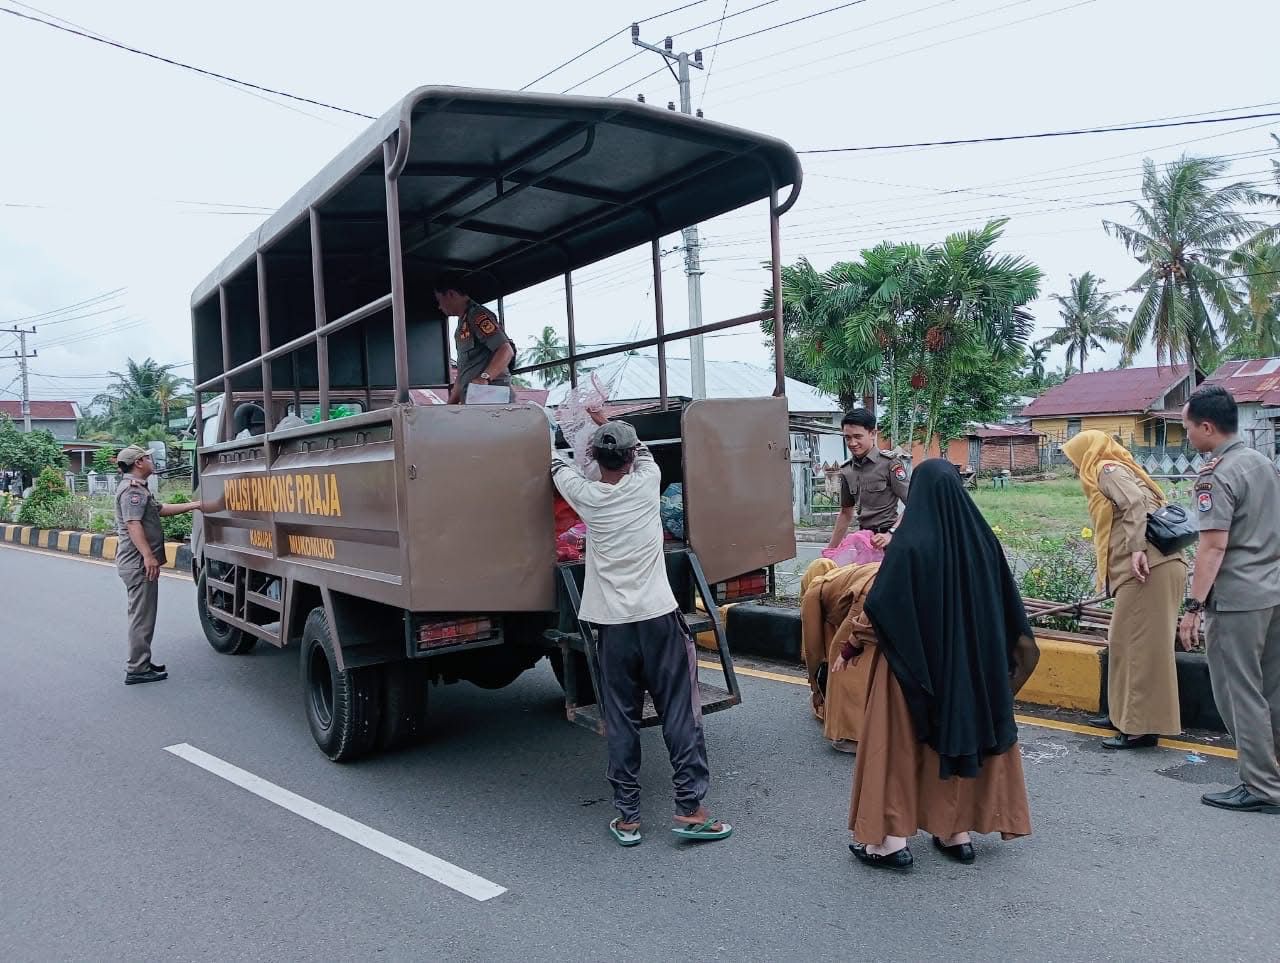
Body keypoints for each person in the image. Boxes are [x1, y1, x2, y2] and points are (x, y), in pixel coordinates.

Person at [844, 459, 1039, 869]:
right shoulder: (983, 541)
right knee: (955, 740)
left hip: (912, 671)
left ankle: (891, 843)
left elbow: (882, 609)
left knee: (897, 750)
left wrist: (851, 646)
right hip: (970, 672)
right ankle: (956, 833)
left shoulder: (911, 544)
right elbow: (1009, 611)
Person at [551, 409, 731, 847]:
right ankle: (690, 810)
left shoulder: (586, 496)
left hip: (613, 628)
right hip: (658, 620)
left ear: (594, 457)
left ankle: (628, 818)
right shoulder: (647, 483)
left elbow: (555, 465)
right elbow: (646, 452)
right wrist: (602, 415)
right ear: (631, 458)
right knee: (679, 714)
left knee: (621, 719)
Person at [1178, 385, 1280, 814]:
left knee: (1239, 694)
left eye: (1187, 429)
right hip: (1271, 589)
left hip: (1237, 598)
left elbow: (1213, 547)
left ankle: (1261, 786)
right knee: (1271, 690)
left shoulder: (1216, 474)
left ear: (1206, 426)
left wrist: (1194, 607)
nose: (1187, 437)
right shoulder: (1261, 463)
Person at [1063, 430, 1186, 749]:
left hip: (1148, 568)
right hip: (1151, 567)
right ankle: (1122, 714)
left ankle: (1140, 728)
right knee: (1123, 642)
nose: (1074, 467)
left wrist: (1135, 549)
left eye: (1074, 458)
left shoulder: (1106, 469)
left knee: (1141, 648)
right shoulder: (1118, 469)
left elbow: (1133, 504)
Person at [114, 445, 203, 686]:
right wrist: (148, 556)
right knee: (142, 616)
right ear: (138, 463)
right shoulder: (132, 491)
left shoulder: (140, 490)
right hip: (137, 563)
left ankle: (142, 661)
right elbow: (133, 524)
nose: (152, 460)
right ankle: (137, 667)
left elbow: (160, 510)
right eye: (148, 457)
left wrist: (194, 505)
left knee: (142, 614)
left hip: (136, 562)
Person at [800, 558, 879, 754]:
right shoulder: (845, 574)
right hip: (883, 583)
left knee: (844, 661)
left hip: (868, 597)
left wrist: (814, 685)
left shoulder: (814, 590)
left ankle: (850, 736)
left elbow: (813, 650)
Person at [827, 409, 910, 554]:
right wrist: (830, 551)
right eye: (847, 437)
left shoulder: (889, 464)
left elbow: (913, 504)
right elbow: (846, 513)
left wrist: (891, 533)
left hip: (890, 542)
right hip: (863, 542)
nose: (852, 443)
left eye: (858, 436)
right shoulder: (846, 470)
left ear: (873, 434)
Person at [433, 272, 516, 405]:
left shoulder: (477, 316)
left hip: (493, 398)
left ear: (450, 294)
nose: (439, 306)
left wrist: (484, 378)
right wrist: (447, 409)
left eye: (439, 301)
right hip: (473, 401)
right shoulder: (461, 327)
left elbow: (506, 350)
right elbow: (463, 376)